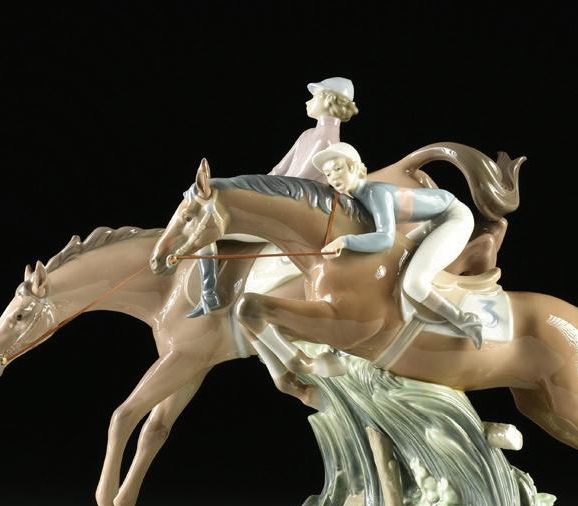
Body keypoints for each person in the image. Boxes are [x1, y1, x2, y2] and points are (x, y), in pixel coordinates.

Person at [190, 77, 358, 317]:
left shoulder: (327, 140)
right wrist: (247, 191)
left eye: (314, 96)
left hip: (289, 213)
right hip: (276, 202)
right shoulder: (309, 134)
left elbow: (297, 182)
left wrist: (254, 196)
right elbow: (279, 171)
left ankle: (209, 294)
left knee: (206, 229)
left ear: (329, 100)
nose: (308, 101)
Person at [312, 142, 483, 348]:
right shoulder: (359, 197)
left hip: (454, 217)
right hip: (434, 221)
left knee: (414, 283)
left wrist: (344, 241)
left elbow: (385, 238)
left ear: (354, 167)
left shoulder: (375, 194)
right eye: (328, 174)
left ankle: (466, 321)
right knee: (396, 263)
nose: (333, 178)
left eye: (338, 169)